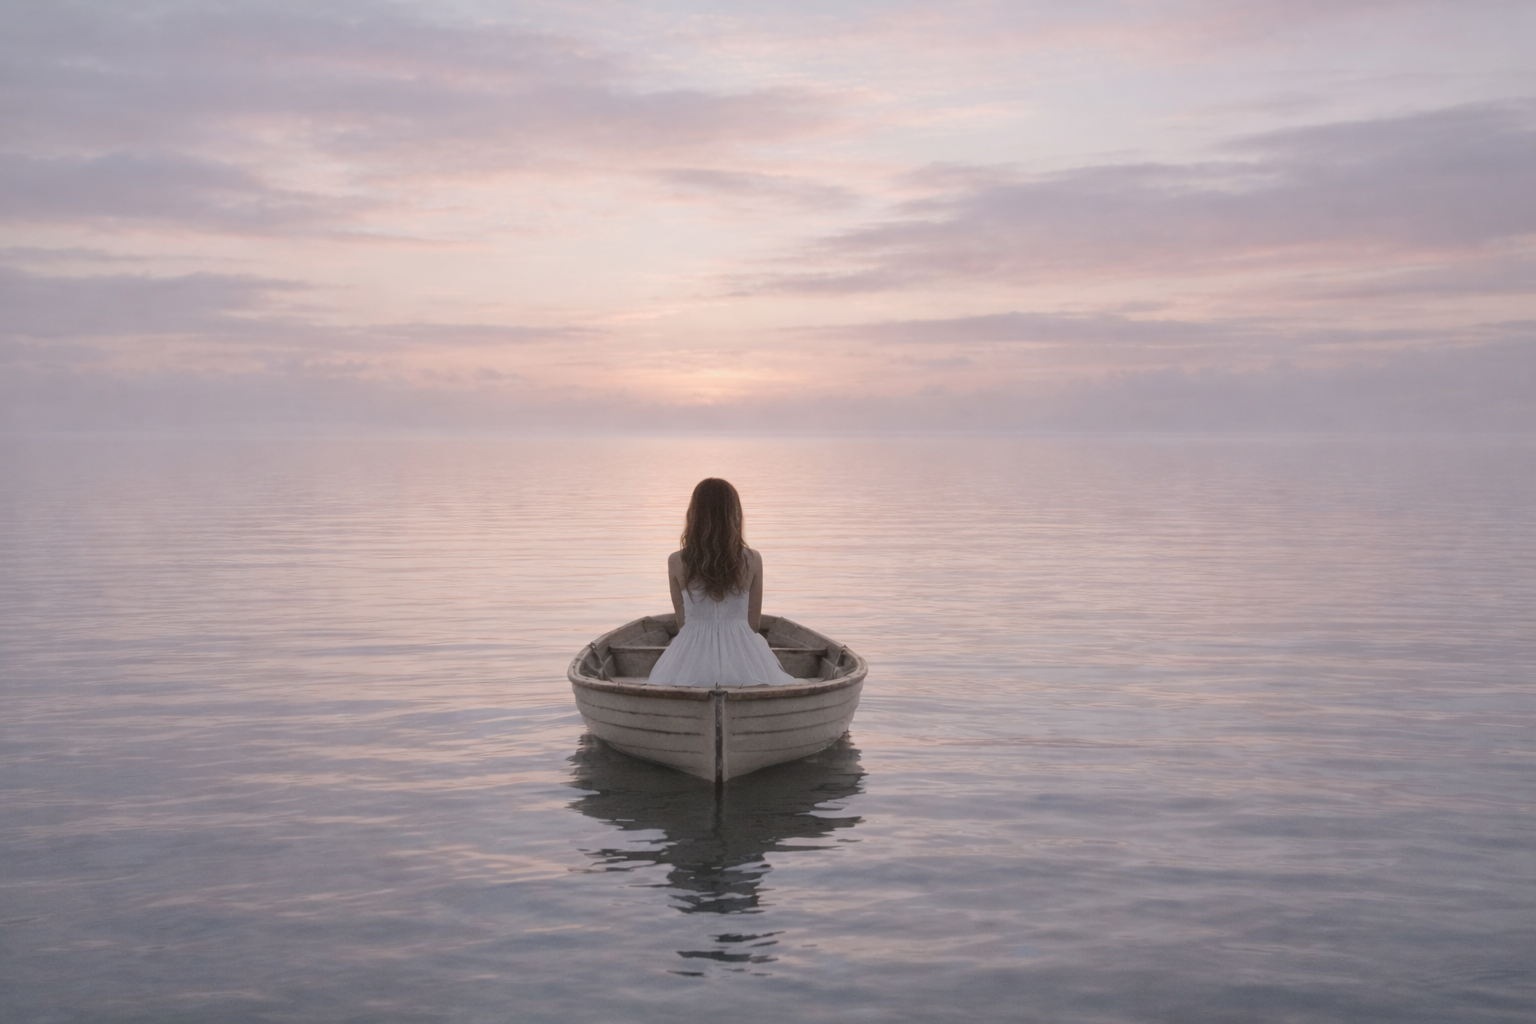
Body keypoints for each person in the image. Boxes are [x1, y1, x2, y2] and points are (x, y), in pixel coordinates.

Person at [647, 478, 798, 688]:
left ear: (694, 514)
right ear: (734, 514)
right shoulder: (752, 559)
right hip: (744, 657)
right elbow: (753, 624)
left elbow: (683, 623)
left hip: (690, 655)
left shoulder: (675, 561)